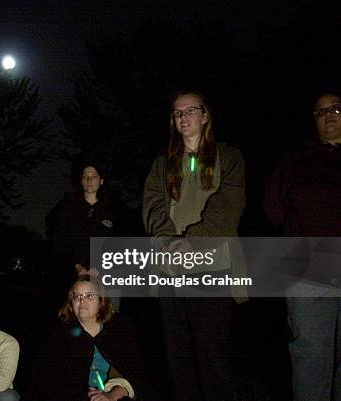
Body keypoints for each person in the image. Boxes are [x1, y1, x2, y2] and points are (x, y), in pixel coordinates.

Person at [142, 90, 247, 401]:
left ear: (205, 116)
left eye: (190, 111)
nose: (183, 117)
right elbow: (152, 206)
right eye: (177, 113)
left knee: (211, 356)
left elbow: (229, 205)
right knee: (178, 358)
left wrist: (193, 241)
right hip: (170, 270)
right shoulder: (162, 165)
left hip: (212, 269)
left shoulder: (229, 157)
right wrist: (166, 240)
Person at [263, 90, 341, 401]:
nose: (328, 115)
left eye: (336, 108)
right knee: (311, 352)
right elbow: (272, 208)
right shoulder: (297, 158)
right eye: (320, 111)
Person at [28, 276, 156, 401]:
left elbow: (136, 375)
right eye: (77, 296)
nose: (82, 301)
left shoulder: (119, 332)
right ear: (71, 304)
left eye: (89, 296)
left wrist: (112, 394)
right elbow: (46, 380)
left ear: (101, 301)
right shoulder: (59, 338)